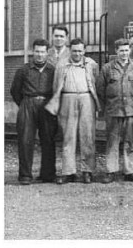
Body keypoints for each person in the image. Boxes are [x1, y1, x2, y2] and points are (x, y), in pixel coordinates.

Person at [46, 38, 100, 184]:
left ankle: (87, 171)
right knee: (68, 136)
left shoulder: (92, 64)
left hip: (86, 99)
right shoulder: (61, 65)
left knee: (87, 136)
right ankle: (68, 172)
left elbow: (96, 83)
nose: (77, 53)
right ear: (70, 50)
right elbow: (55, 85)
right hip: (67, 99)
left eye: (80, 50)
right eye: (74, 50)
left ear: (84, 51)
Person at [10, 39, 58, 185]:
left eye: (42, 52)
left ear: (47, 53)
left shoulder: (52, 70)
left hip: (47, 105)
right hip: (28, 104)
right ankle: (25, 175)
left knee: (48, 139)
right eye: (37, 51)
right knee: (25, 140)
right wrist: (25, 104)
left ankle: (48, 174)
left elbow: (56, 89)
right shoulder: (23, 70)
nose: (39, 55)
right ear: (33, 52)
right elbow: (15, 91)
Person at [98, 38, 133, 183]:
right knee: (112, 142)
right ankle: (111, 171)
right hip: (114, 111)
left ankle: (129, 171)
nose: (124, 53)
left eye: (126, 50)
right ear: (116, 51)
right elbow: (100, 90)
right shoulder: (107, 68)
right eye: (121, 50)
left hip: (131, 111)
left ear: (130, 50)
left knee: (130, 142)